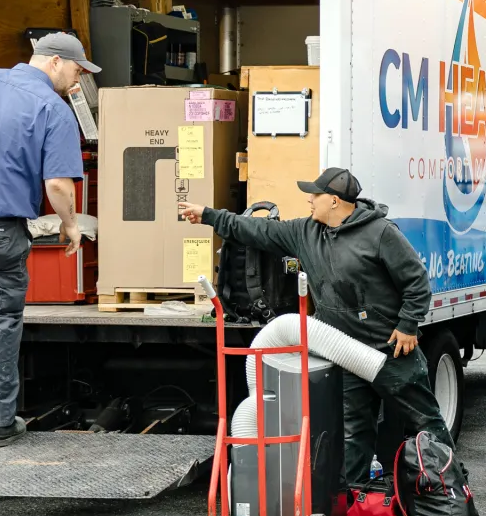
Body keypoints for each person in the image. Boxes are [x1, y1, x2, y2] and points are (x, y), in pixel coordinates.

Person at [176, 167, 451, 491]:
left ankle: (451, 483)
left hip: (390, 350)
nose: (309, 199)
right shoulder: (306, 232)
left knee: (423, 418)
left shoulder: (379, 233)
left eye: (315, 194)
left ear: (334, 201)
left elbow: (417, 281)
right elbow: (256, 230)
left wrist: (408, 325)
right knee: (354, 429)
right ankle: (355, 496)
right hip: (342, 349)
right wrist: (209, 215)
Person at [0, 33, 94, 448]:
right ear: (56, 62)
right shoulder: (52, 109)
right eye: (78, 69)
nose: (77, 80)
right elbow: (58, 184)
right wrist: (71, 224)